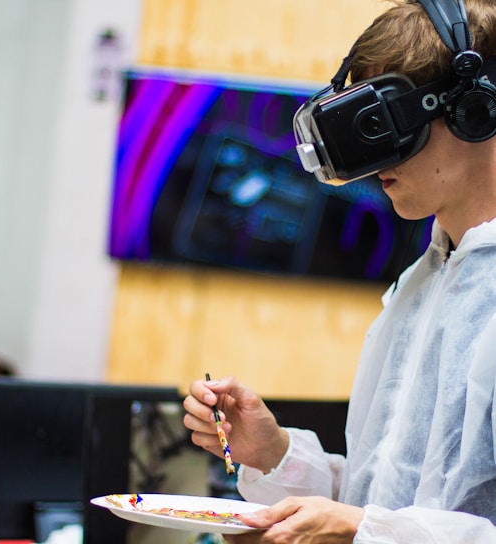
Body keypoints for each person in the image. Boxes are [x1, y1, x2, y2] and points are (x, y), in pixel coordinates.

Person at [183, 0, 496, 542]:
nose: (374, 162)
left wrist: (364, 530)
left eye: (390, 125)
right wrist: (276, 454)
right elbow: (388, 502)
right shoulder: (419, 288)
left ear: (476, 110)